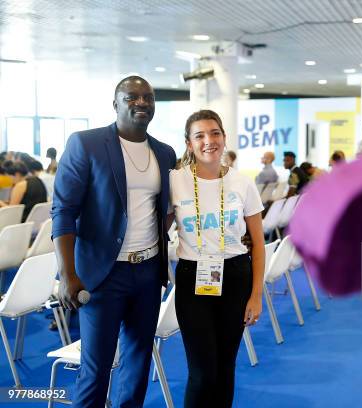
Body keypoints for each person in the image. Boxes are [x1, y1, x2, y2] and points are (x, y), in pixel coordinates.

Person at [51, 76, 176, 407]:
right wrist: (68, 274)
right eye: (132, 97)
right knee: (96, 370)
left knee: (137, 364)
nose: (141, 103)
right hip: (102, 275)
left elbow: (161, 210)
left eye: (148, 97)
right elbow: (63, 212)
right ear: (116, 103)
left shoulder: (164, 153)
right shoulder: (86, 144)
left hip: (148, 272)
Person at [168, 109, 265, 407]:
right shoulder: (175, 181)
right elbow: (156, 231)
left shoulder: (243, 183)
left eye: (215, 133)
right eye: (199, 135)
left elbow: (259, 245)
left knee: (225, 368)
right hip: (192, 278)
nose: (208, 141)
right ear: (189, 143)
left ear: (224, 138)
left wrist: (256, 295)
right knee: (202, 373)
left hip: (236, 275)